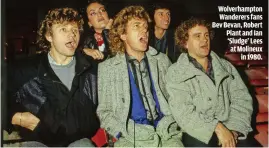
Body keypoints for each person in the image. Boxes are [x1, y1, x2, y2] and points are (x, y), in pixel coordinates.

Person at [7, 7, 99, 147]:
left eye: (75, 30)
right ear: (49, 36)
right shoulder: (25, 70)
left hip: (79, 141)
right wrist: (17, 118)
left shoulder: (91, 69)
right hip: (38, 141)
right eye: (63, 29)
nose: (72, 35)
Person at [97, 5, 184, 147]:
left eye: (145, 26)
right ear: (123, 34)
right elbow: (104, 112)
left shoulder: (162, 61)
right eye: (137, 26)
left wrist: (174, 124)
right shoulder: (107, 69)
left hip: (166, 133)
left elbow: (176, 99)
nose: (144, 30)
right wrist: (121, 132)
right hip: (130, 138)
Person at [166, 18, 254, 147]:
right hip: (197, 132)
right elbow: (183, 112)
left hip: (231, 127)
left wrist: (234, 130)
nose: (205, 40)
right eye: (197, 36)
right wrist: (217, 128)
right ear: (185, 43)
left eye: (206, 35)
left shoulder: (226, 67)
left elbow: (242, 99)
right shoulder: (175, 72)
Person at [80, 0, 113, 66]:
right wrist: (83, 51)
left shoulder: (122, 34)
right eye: (93, 13)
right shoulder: (86, 42)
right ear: (89, 23)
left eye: (102, 10)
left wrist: (107, 31)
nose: (99, 14)